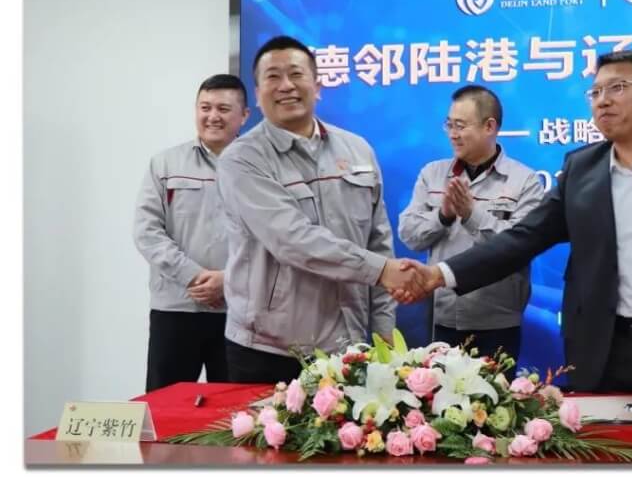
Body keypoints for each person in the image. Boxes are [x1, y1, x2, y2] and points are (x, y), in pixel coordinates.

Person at [397, 49, 632, 394]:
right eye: (596, 92)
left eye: (617, 88)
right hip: (603, 351)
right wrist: (439, 275)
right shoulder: (581, 169)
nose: (602, 100)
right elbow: (523, 238)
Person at [217, 35, 421, 384]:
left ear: (318, 85)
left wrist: (384, 328)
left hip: (349, 347)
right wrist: (382, 271)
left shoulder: (357, 150)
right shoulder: (242, 159)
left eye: (296, 74)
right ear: (258, 94)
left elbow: (378, 241)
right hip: (270, 351)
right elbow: (291, 239)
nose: (286, 86)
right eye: (273, 77)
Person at [398, 85, 544, 361]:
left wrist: (471, 215)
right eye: (449, 125)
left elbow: (520, 247)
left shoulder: (524, 181)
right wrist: (442, 216)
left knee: (497, 390)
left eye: (461, 126)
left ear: (490, 126)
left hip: (497, 322)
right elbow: (409, 235)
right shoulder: (433, 174)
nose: (453, 134)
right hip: (441, 317)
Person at [133, 73, 250, 392]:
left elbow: (274, 239)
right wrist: (194, 277)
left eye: (223, 109)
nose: (213, 116)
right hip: (176, 307)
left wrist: (228, 280)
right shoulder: (165, 164)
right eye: (205, 107)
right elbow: (147, 231)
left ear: (244, 115)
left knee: (236, 408)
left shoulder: (262, 168)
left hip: (241, 311)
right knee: (164, 404)